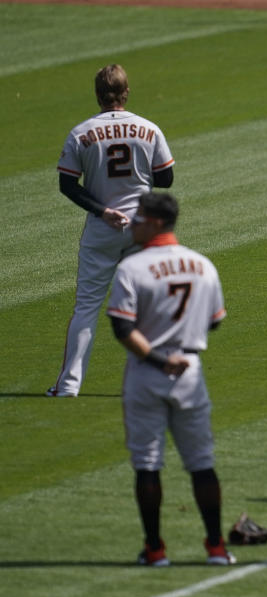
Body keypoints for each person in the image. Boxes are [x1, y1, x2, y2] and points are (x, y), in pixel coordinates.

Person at [106, 192, 234, 567]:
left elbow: (122, 327)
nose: (133, 222)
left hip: (148, 372)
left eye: (140, 217)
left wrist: (159, 358)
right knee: (201, 462)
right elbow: (215, 320)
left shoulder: (132, 268)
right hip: (190, 371)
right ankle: (216, 548)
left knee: (148, 464)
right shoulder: (203, 264)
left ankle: (155, 549)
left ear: (158, 222)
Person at [49, 63, 175, 397]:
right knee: (150, 304)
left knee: (87, 307)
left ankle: (68, 387)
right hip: (143, 229)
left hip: (102, 229)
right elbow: (165, 179)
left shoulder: (81, 133)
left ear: (97, 95)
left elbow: (67, 185)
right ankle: (157, 381)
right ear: (126, 92)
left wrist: (103, 210)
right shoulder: (149, 128)